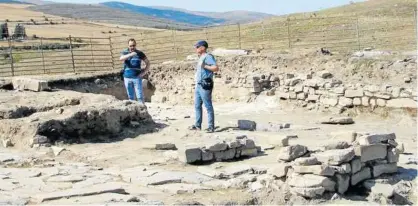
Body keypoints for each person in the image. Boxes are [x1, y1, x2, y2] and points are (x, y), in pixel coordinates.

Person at [189, 40, 219, 133]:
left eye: (197, 47)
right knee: (197, 105)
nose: (196, 48)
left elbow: (216, 68)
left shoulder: (208, 57)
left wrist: (205, 66)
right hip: (199, 85)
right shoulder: (201, 57)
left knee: (208, 106)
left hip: (205, 84)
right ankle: (197, 125)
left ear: (203, 47)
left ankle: (211, 127)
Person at [119, 38, 150, 103]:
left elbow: (148, 63)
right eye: (130, 46)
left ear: (135, 45)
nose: (132, 47)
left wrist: (144, 72)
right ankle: (134, 112)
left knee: (140, 96)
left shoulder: (140, 53)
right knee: (131, 97)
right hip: (127, 78)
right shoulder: (125, 52)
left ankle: (142, 111)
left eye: (133, 45)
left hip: (137, 78)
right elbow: (121, 58)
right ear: (128, 45)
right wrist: (130, 54)